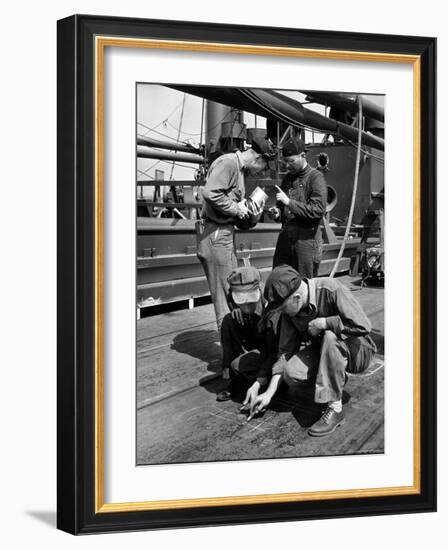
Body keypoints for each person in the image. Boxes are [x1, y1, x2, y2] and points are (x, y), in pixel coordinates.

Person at [248, 265, 377, 436]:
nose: (281, 312)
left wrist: (326, 323)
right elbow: (285, 352)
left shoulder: (332, 289)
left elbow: (363, 326)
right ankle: (335, 377)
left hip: (358, 351)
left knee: (330, 337)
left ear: (297, 297)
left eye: (282, 308)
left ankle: (335, 408)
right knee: (291, 372)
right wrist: (268, 394)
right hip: (326, 351)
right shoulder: (291, 312)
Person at [197, 138, 276, 330]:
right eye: (264, 168)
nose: (261, 172)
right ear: (258, 158)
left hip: (224, 234)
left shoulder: (238, 170)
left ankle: (233, 345)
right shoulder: (229, 163)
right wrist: (236, 209)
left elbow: (233, 211)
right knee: (224, 297)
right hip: (215, 234)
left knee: (233, 291)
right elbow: (211, 193)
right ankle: (229, 351)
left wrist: (252, 211)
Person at [216, 266, 277, 402]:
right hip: (253, 346)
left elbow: (273, 350)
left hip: (270, 352)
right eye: (242, 302)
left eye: (250, 301)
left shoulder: (270, 309)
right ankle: (235, 381)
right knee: (228, 321)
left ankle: (266, 384)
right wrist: (236, 310)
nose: (246, 306)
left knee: (238, 365)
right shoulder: (234, 305)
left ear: (259, 291)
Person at [271, 137, 327, 278]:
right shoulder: (287, 179)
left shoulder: (316, 178)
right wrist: (277, 213)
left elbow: (317, 210)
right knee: (279, 279)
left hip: (306, 242)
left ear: (303, 156)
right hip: (286, 239)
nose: (288, 166)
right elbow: (283, 208)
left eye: (292, 161)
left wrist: (289, 202)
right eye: (285, 162)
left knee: (304, 286)